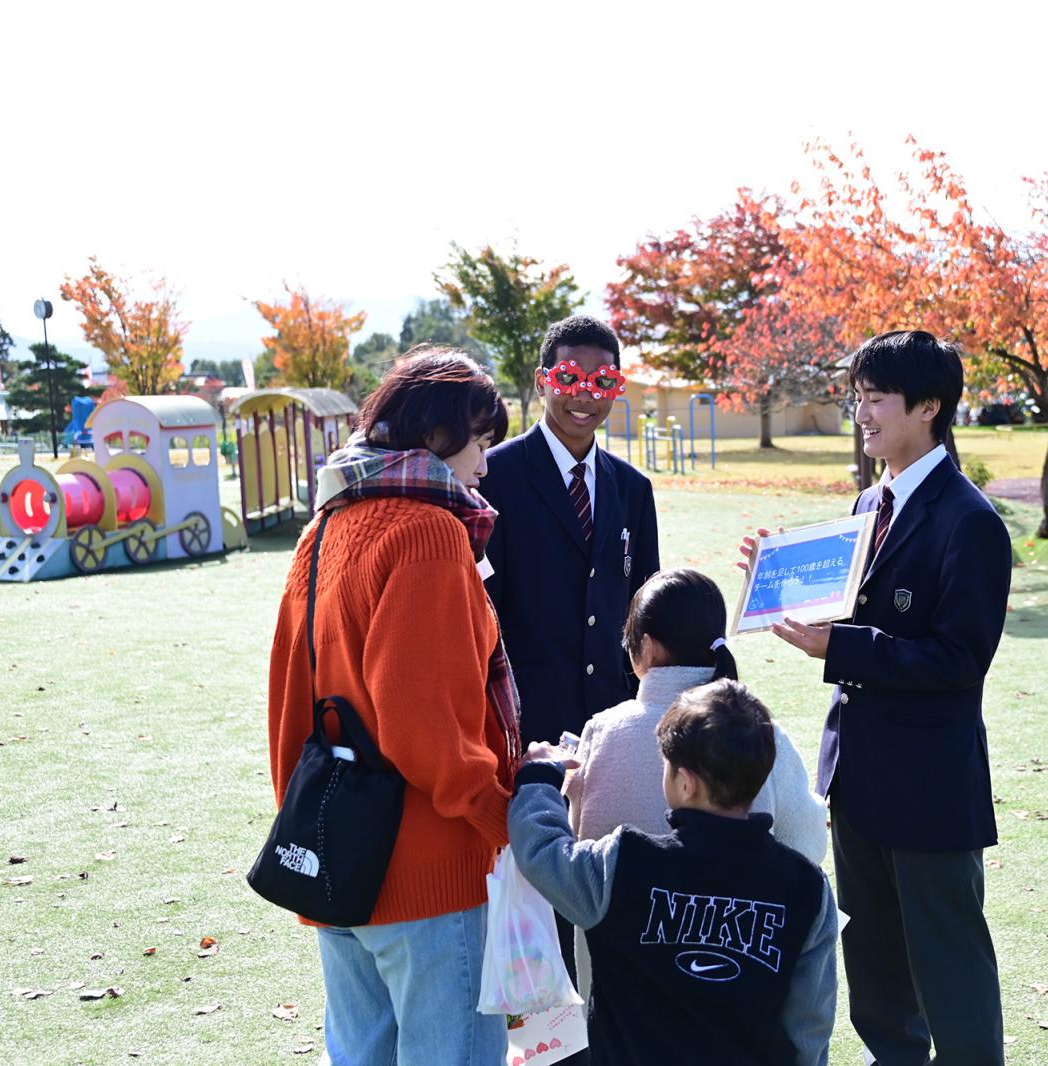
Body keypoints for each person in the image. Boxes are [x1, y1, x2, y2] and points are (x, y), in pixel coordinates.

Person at [743, 330, 1012, 1065]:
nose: (859, 413)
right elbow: (847, 607)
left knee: (946, 958)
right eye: (856, 395)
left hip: (929, 782)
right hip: (857, 773)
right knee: (874, 954)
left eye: (875, 397)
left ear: (929, 407)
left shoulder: (971, 523)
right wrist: (777, 579)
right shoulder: (869, 502)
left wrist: (841, 646)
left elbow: (959, 660)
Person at [265, 348, 520, 1065]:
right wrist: (502, 817)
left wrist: (303, 810)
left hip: (338, 853)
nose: (485, 464)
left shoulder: (324, 528)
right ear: (439, 434)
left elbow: (289, 694)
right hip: (428, 869)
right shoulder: (430, 533)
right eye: (481, 441)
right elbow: (425, 725)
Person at [510, 680, 838, 1066]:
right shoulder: (806, 889)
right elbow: (810, 1025)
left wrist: (538, 779)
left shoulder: (624, 864)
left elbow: (544, 853)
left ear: (686, 783)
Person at [563, 567, 828, 1001]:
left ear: (644, 646)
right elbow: (805, 847)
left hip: (617, 998)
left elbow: (577, 851)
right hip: (734, 978)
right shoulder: (760, 732)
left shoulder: (601, 733)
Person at [479, 314, 660, 748]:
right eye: (569, 377)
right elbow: (480, 609)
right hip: (523, 720)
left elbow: (645, 606)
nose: (585, 395)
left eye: (602, 382)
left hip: (613, 722)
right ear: (542, 382)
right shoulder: (492, 476)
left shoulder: (633, 488)